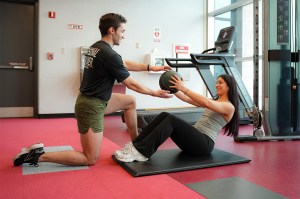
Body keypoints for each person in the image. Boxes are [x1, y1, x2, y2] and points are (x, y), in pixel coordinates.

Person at [13, 13, 172, 167]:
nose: (123, 35)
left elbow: (124, 63)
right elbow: (132, 84)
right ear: (112, 30)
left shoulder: (97, 48)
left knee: (130, 101)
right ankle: (37, 156)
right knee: (89, 158)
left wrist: (151, 67)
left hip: (99, 99)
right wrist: (154, 93)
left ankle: (136, 147)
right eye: (122, 31)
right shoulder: (109, 54)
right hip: (90, 106)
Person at [114, 74, 240, 162]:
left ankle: (142, 153)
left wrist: (183, 88)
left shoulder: (229, 107)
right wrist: (174, 87)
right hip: (194, 140)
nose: (217, 85)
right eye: (217, 82)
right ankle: (135, 146)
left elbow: (207, 104)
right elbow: (186, 98)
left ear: (229, 86)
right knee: (165, 115)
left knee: (171, 119)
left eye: (220, 82)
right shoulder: (214, 100)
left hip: (204, 144)